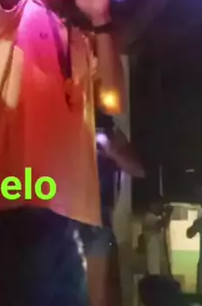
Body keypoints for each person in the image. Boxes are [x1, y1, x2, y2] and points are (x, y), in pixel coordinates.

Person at [0, 0, 126, 304]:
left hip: (77, 212)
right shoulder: (8, 7)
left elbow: (112, 101)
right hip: (24, 203)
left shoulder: (77, 37)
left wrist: (100, 20)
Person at [82, 112, 145, 306]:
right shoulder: (61, 124)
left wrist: (111, 152)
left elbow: (138, 170)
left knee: (101, 290)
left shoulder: (109, 131)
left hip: (98, 218)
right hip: (67, 217)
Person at [141, 201, 172, 276]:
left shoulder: (154, 217)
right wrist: (168, 214)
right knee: (154, 273)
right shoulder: (149, 216)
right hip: (153, 251)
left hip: (157, 252)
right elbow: (161, 224)